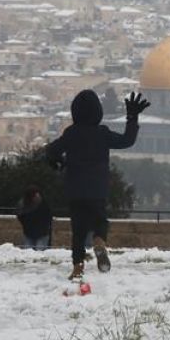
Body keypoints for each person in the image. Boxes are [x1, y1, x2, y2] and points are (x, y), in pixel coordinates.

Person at [46, 90, 150, 280]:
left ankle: (78, 267)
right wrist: (132, 117)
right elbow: (127, 140)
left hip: (75, 189)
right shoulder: (102, 133)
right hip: (97, 188)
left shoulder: (71, 133)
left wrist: (57, 162)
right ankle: (99, 242)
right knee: (100, 221)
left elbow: (51, 150)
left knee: (78, 230)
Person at [18, 185, 52, 250]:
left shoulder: (43, 204)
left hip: (42, 233)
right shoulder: (24, 204)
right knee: (28, 253)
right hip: (29, 232)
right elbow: (20, 215)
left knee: (39, 253)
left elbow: (48, 216)